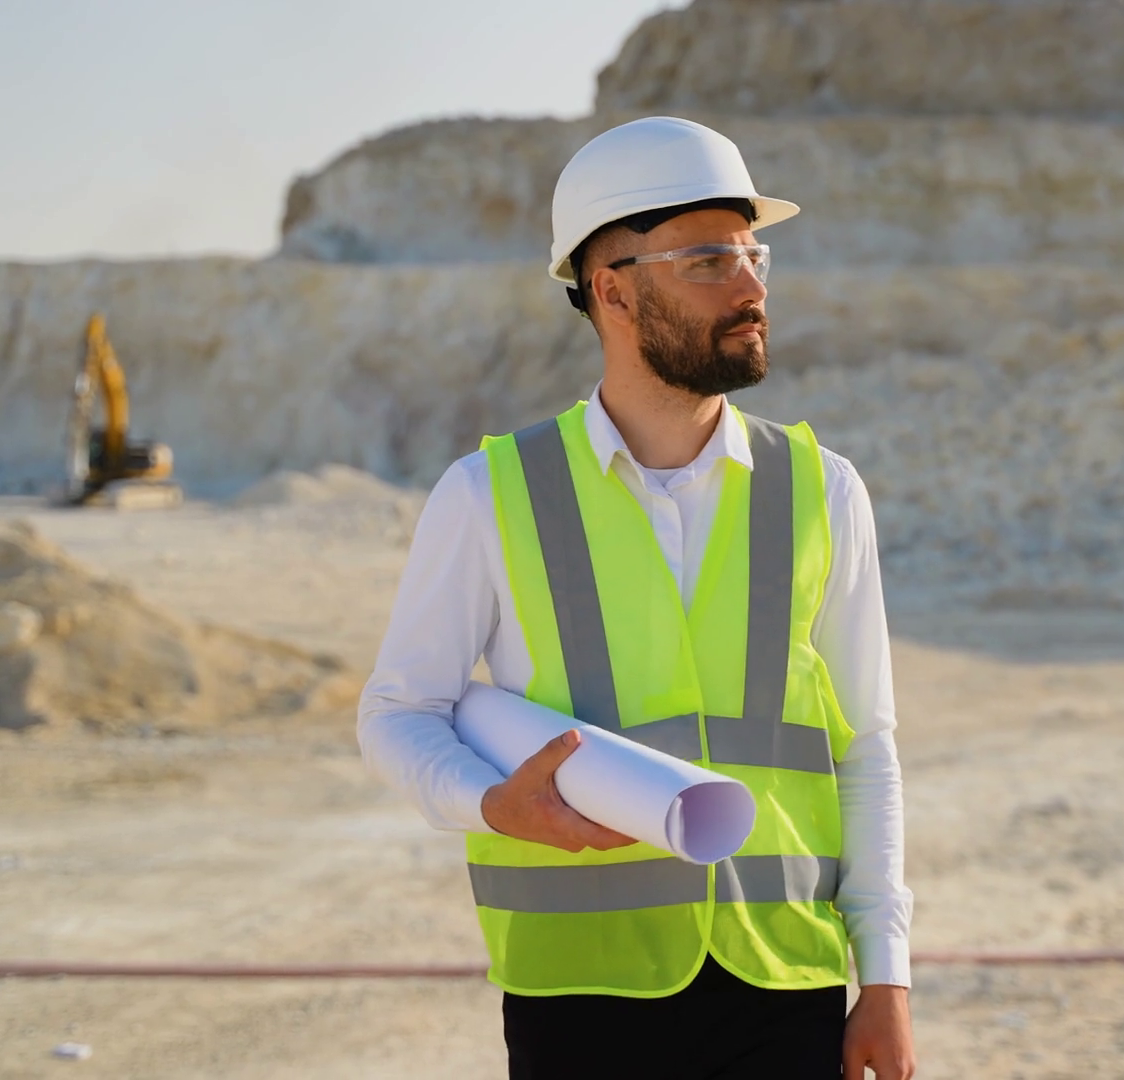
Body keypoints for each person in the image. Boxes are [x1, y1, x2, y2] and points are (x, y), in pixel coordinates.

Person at [358, 116, 915, 1080]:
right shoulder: (490, 493)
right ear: (611, 289)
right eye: (708, 261)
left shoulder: (822, 489)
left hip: (786, 981)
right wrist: (493, 805)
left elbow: (864, 745)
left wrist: (887, 977)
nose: (749, 287)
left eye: (753, 255)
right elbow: (399, 712)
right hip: (581, 995)